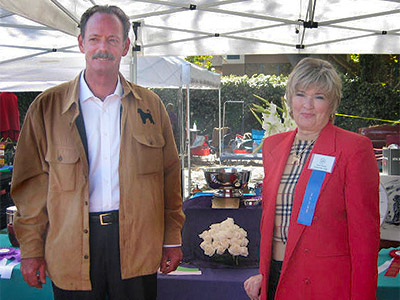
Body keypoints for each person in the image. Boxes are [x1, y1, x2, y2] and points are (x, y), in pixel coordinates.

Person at [11, 5, 185, 300]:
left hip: (137, 244)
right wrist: (31, 249)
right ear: (81, 43)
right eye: (94, 39)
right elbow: (31, 188)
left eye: (112, 40)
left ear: (126, 46)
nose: (102, 48)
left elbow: (170, 178)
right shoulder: (46, 108)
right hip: (70, 246)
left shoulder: (151, 107)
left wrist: (172, 238)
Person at [244, 58, 380, 300]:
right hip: (277, 276)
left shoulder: (353, 148)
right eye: (300, 94)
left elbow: (364, 238)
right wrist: (263, 273)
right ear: (290, 99)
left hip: (324, 284)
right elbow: (272, 220)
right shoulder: (273, 146)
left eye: (319, 97)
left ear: (332, 104)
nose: (307, 105)